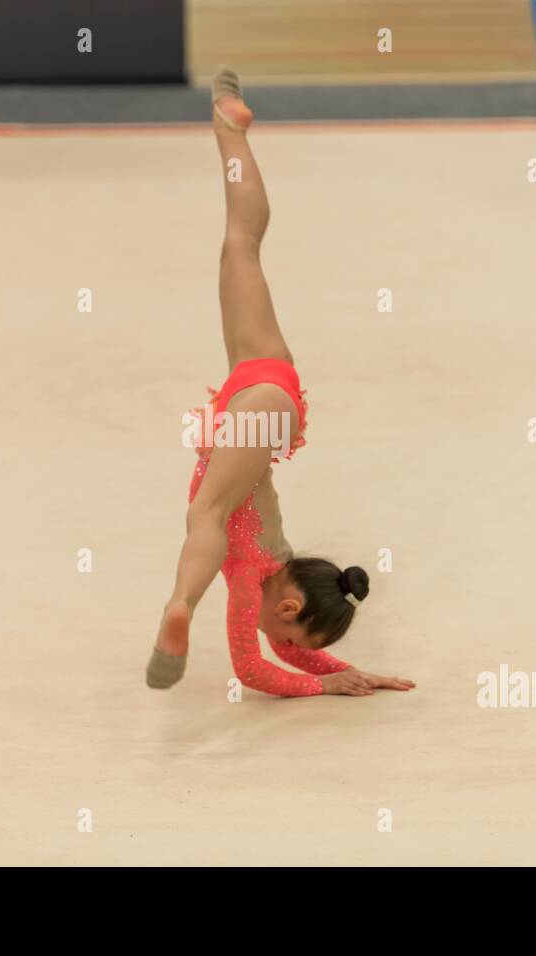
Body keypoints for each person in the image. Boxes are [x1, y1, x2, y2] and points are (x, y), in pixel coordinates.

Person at [145, 68, 417, 699]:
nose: (286, 649)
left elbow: (279, 642)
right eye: (294, 639)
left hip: (267, 379)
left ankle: (229, 131)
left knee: (241, 246)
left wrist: (345, 669)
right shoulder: (248, 576)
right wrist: (324, 686)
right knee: (205, 512)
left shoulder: (280, 558)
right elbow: (253, 669)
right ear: (290, 607)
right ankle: (176, 605)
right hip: (258, 409)